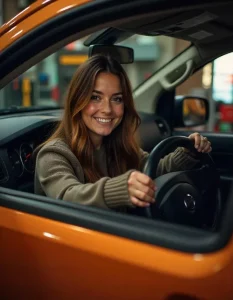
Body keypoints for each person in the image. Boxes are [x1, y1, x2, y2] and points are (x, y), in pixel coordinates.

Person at [34, 54, 212, 212]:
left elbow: (153, 168)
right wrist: (120, 189)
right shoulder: (53, 154)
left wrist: (189, 152)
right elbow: (67, 196)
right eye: (95, 97)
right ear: (77, 101)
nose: (107, 109)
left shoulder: (115, 145)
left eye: (117, 99)